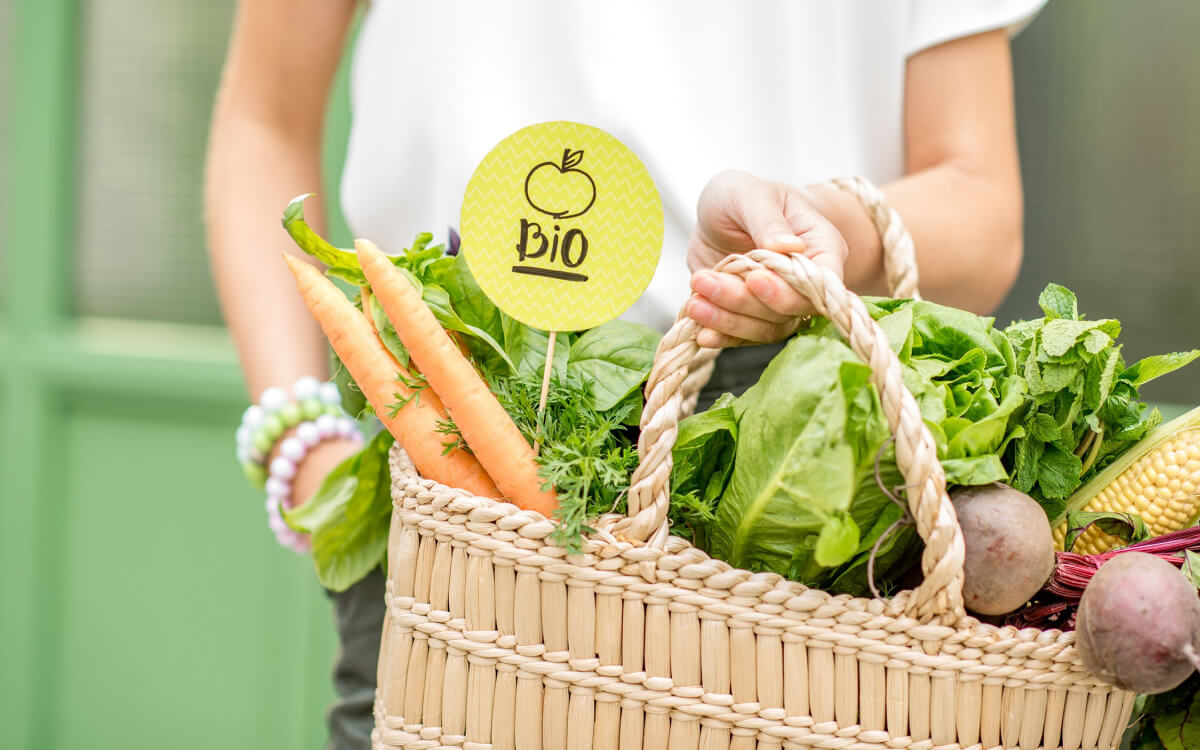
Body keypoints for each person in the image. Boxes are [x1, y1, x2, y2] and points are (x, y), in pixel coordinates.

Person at [205, 2, 1045, 747]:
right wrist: (300, 437)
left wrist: (817, 231)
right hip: (450, 417)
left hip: (783, 432)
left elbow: (981, 202)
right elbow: (266, 119)